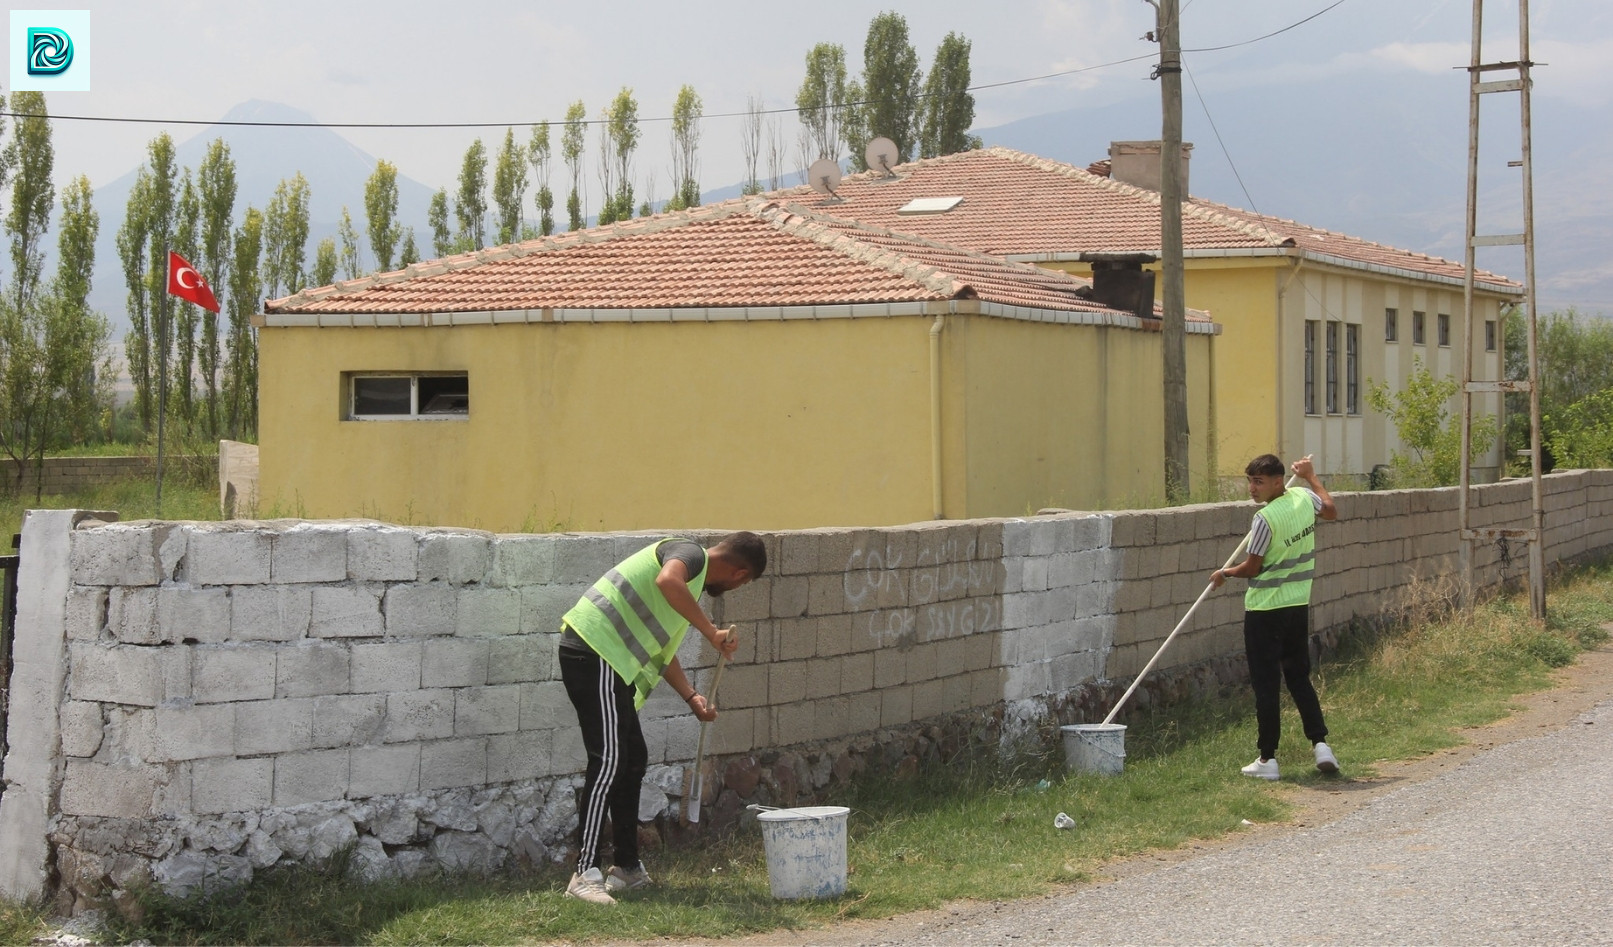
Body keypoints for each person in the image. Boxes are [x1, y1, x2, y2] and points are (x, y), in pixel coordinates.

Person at [558, 531, 768, 904]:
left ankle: (626, 868)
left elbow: (661, 651)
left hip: (609, 661)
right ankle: (584, 873)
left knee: (632, 759)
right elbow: (667, 579)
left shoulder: (691, 586)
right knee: (609, 759)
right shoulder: (690, 556)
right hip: (594, 649)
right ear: (739, 575)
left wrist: (692, 697)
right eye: (744, 584)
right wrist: (711, 632)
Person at [1210, 454, 1340, 781]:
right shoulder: (1302, 498)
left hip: (1265, 611)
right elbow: (1331, 510)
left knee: (1266, 685)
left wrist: (1225, 572)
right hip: (1297, 605)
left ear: (1278, 481)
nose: (1252, 488)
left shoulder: (1264, 519)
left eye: (1259, 482)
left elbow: (1253, 568)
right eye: (1250, 481)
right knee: (1298, 677)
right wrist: (1312, 477)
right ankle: (1321, 745)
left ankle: (1267, 760)